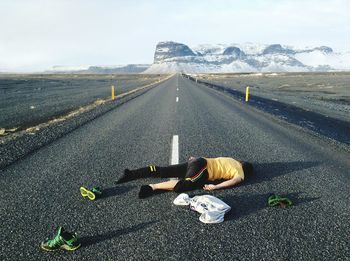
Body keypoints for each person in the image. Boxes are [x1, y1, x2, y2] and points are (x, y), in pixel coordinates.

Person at [116, 157, 253, 198]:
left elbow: (216, 160)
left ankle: (130, 174)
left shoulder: (233, 160)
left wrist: (194, 160)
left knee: (162, 171)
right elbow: (234, 181)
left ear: (242, 162)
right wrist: (215, 186)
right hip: (203, 170)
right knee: (184, 185)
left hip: (197, 161)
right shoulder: (240, 173)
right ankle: (151, 187)